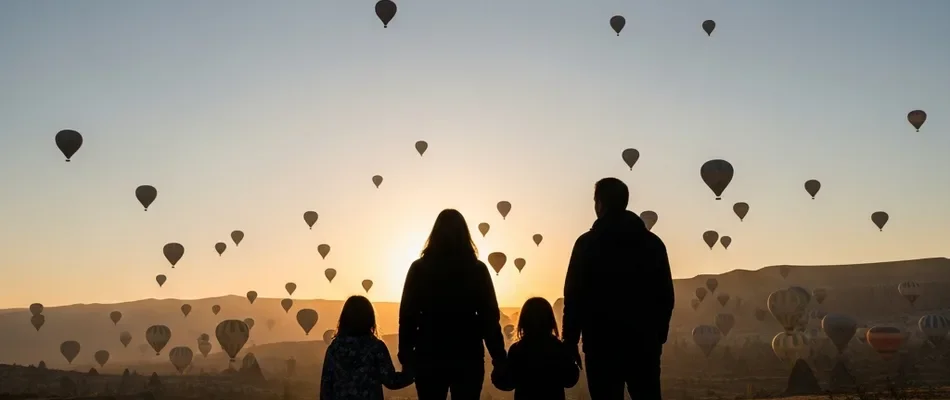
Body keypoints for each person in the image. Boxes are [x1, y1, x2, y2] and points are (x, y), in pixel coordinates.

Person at [562, 177, 674, 399]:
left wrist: (570, 340)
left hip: (601, 344)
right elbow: (665, 296)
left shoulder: (587, 243)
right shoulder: (652, 243)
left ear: (600, 203)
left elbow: (574, 297)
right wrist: (657, 336)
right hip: (643, 344)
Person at [398, 209, 507, 400]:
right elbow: (489, 318)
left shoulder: (419, 269)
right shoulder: (477, 270)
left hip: (429, 353)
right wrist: (499, 357)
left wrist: (406, 358)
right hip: (467, 354)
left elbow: (408, 317)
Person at [320, 296, 413, 400]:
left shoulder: (334, 348)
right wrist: (414, 371)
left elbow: (325, 388)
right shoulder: (376, 347)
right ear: (370, 318)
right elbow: (391, 381)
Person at [491, 297, 580, 399]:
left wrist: (497, 368)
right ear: (551, 321)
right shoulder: (558, 348)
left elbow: (508, 383)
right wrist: (571, 358)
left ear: (523, 322)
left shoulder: (517, 350)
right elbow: (569, 380)